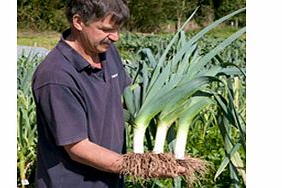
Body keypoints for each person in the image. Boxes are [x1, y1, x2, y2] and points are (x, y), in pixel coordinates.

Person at [32, 0, 184, 187]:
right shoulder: (56, 76)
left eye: (117, 29)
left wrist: (171, 103)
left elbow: (126, 100)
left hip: (111, 178)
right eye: (106, 29)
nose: (115, 37)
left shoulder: (107, 53)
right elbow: (78, 147)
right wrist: (140, 166)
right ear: (78, 22)